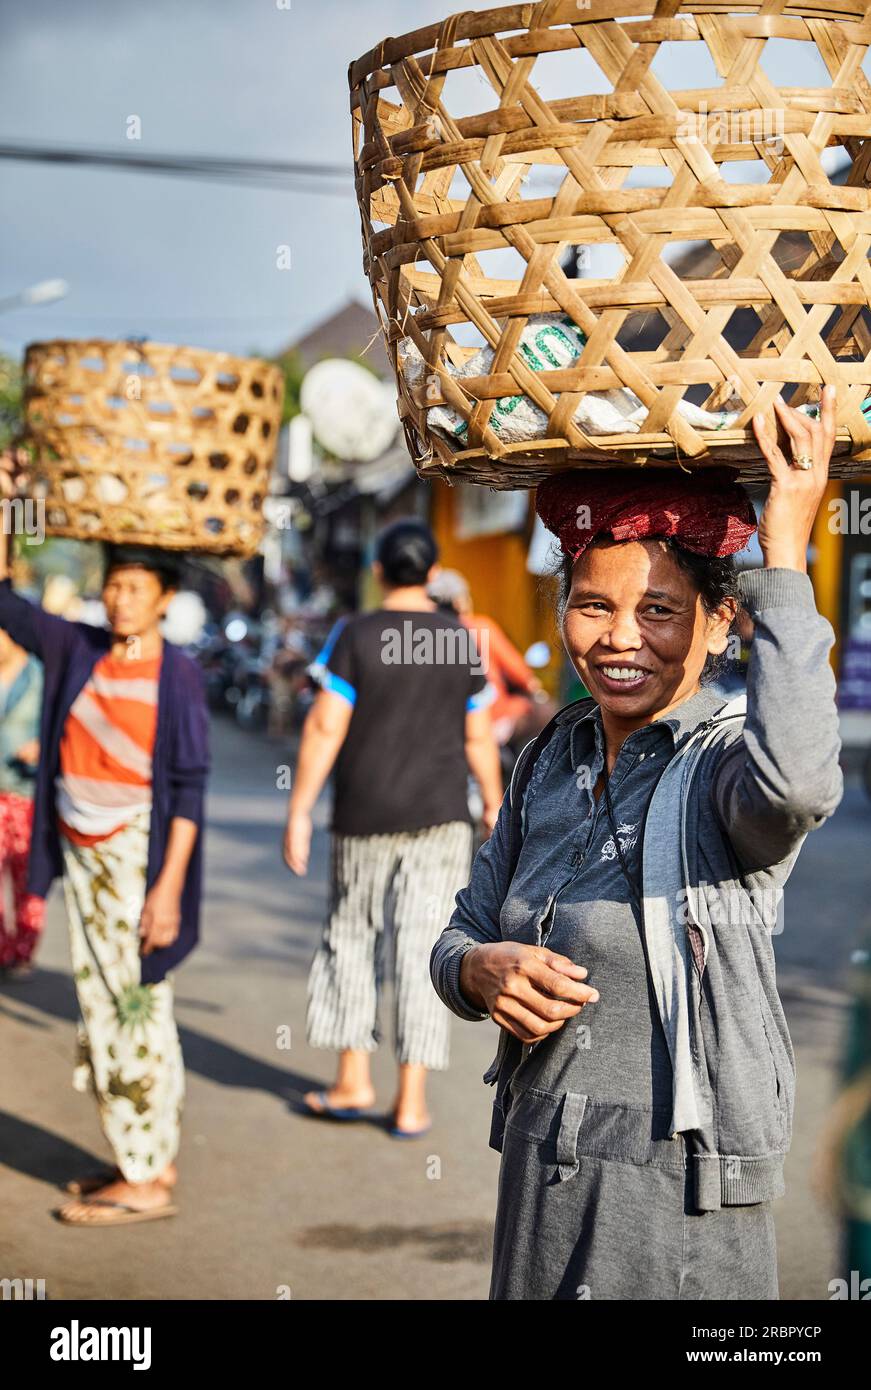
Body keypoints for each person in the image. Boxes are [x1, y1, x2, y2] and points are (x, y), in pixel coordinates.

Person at [431, 388, 843, 1299]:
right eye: (591, 607)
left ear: (717, 620)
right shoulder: (548, 758)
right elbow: (459, 931)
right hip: (540, 1162)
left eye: (658, 610)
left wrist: (784, 552)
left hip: (678, 1192)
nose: (620, 640)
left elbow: (801, 783)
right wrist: (474, 973)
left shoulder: (725, 772)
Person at [0, 453, 209, 1225]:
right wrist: (10, 505)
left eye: (137, 589)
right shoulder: (77, 646)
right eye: (114, 585)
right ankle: (140, 1155)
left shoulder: (177, 674)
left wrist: (164, 890)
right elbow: (3, 600)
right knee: (104, 1003)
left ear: (164, 599)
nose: (121, 600)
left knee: (132, 1005)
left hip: (135, 862)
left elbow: (188, 789)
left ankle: (147, 1179)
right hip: (83, 858)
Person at [284, 518, 502, 1137]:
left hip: (363, 813)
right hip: (439, 818)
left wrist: (298, 809)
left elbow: (326, 724)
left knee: (351, 937)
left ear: (379, 571)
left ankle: (352, 1080)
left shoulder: (355, 634)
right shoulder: (457, 639)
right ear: (432, 574)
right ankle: (411, 1101)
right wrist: (493, 803)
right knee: (424, 946)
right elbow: (478, 732)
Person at [426, 568, 555, 746]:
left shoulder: (422, 635)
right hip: (491, 722)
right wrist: (533, 686)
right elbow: (520, 673)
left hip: (441, 728)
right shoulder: (479, 628)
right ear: (460, 602)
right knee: (546, 711)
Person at [0, 626, 45, 977]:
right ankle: (2, 948)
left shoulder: (39, 674)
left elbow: (59, 723)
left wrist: (40, 748)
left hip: (24, 792)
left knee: (25, 878)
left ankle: (24, 947)